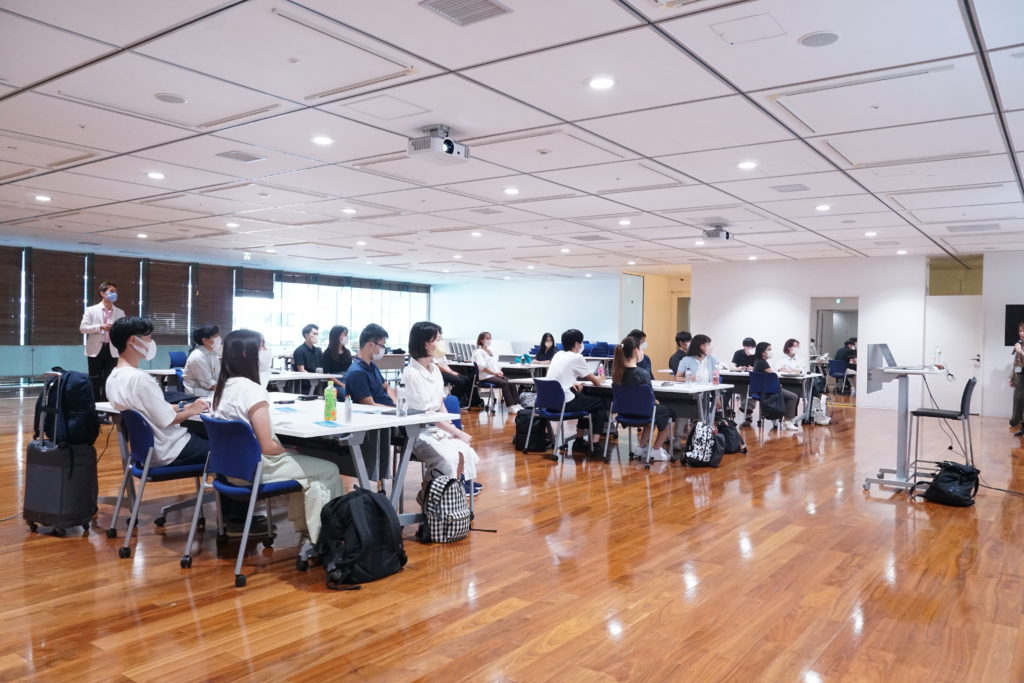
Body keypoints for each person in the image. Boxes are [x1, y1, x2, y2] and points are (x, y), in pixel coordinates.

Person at [105, 317, 258, 533]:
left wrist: (183, 406)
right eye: (148, 337)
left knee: (217, 441)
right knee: (233, 449)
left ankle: (230, 514)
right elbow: (167, 419)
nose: (151, 342)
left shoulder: (114, 378)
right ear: (133, 341)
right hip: (171, 448)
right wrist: (192, 410)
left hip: (147, 451)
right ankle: (237, 520)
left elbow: (149, 409)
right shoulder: (140, 379)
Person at [211, 329, 342, 545]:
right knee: (329, 470)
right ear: (246, 353)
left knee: (309, 471)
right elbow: (267, 447)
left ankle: (311, 531)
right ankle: (330, 539)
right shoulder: (252, 391)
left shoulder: (224, 388)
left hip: (230, 470)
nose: (266, 351)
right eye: (262, 346)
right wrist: (285, 451)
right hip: (254, 470)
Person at [403, 322, 482, 497]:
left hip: (438, 427)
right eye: (437, 340)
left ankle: (452, 496)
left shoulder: (434, 370)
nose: (441, 343)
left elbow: (440, 403)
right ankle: (429, 497)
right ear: (425, 343)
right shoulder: (412, 374)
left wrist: (452, 427)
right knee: (447, 459)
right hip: (419, 431)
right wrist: (455, 431)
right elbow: (426, 414)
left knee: (465, 452)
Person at [612, 335, 673, 461]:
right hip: (643, 412)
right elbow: (650, 397)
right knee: (668, 413)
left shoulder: (617, 373)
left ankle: (641, 447)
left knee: (655, 413)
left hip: (624, 413)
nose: (642, 352)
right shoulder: (642, 374)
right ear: (635, 351)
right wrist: (656, 401)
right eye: (641, 349)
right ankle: (656, 450)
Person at [547, 328, 608, 454]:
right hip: (564, 404)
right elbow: (596, 382)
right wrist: (602, 377)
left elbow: (560, 376)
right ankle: (595, 444)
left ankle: (579, 441)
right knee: (599, 403)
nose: (581, 345)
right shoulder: (577, 357)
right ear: (576, 344)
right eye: (581, 342)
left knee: (584, 398)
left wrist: (572, 382)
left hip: (550, 403)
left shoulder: (558, 355)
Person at [80, 281, 125, 401]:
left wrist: (116, 329)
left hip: (113, 349)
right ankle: (93, 405)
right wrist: (100, 327)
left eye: (116, 292)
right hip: (95, 350)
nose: (114, 294)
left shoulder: (120, 312)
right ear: (102, 293)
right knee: (94, 378)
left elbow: (123, 331)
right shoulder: (91, 310)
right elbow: (83, 328)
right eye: (111, 291)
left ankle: (106, 405)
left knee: (110, 379)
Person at [753, 341, 800, 432]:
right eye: (769, 349)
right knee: (793, 396)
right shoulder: (762, 363)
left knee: (788, 395)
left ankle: (780, 419)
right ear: (763, 352)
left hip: (764, 389)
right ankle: (787, 422)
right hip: (768, 390)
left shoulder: (758, 361)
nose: (771, 351)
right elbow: (773, 375)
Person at [345, 323, 396, 407]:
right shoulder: (357, 373)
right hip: (381, 412)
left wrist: (396, 403)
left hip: (389, 408)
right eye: (382, 346)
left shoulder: (372, 365)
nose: (384, 349)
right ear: (371, 345)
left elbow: (387, 387)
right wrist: (395, 410)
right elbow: (371, 406)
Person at [473, 331, 522, 413]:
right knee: (505, 383)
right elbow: (482, 368)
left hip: (494, 375)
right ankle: (510, 406)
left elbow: (496, 365)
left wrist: (499, 372)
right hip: (486, 377)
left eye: (490, 338)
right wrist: (495, 373)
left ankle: (516, 404)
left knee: (511, 382)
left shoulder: (490, 352)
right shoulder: (478, 352)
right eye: (487, 338)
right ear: (481, 340)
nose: (489, 340)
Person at [182, 324, 221, 398]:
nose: (218, 338)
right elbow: (209, 385)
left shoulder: (213, 353)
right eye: (215, 336)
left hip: (210, 392)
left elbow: (218, 377)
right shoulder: (198, 356)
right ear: (205, 340)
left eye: (218, 335)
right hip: (196, 395)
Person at [431, 339, 471, 408]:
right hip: (439, 373)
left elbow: (445, 364)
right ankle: (451, 401)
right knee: (460, 381)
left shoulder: (441, 353)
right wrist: (451, 372)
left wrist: (452, 372)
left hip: (446, 372)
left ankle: (458, 400)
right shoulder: (433, 352)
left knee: (467, 379)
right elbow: (438, 366)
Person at [730, 338, 758, 425]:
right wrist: (738, 368)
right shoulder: (738, 353)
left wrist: (752, 368)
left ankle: (746, 409)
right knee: (744, 389)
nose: (751, 349)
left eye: (752, 347)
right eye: (749, 347)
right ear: (744, 346)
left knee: (752, 389)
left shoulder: (756, 355)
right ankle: (747, 411)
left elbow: (759, 367)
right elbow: (732, 366)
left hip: (752, 380)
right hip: (739, 379)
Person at [292, 323, 324, 394]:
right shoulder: (299, 351)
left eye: (317, 334)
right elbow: (301, 370)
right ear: (306, 335)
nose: (316, 336)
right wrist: (315, 378)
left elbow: (322, 368)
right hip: (306, 383)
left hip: (320, 381)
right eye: (314, 334)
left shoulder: (318, 350)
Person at [323, 325, 352, 390]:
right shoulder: (327, 353)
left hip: (346, 380)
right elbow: (328, 375)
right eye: (345, 335)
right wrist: (342, 385)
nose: (346, 337)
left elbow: (350, 371)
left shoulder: (347, 352)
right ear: (337, 336)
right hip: (334, 384)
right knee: (345, 393)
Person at [1010, 322, 1024, 436]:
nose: (1021, 333)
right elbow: (1015, 363)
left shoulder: (1020, 348)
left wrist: (1020, 352)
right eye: (1020, 331)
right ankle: (1022, 427)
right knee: (1019, 401)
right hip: (1020, 376)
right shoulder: (1019, 344)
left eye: (1023, 331)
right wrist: (1012, 378)